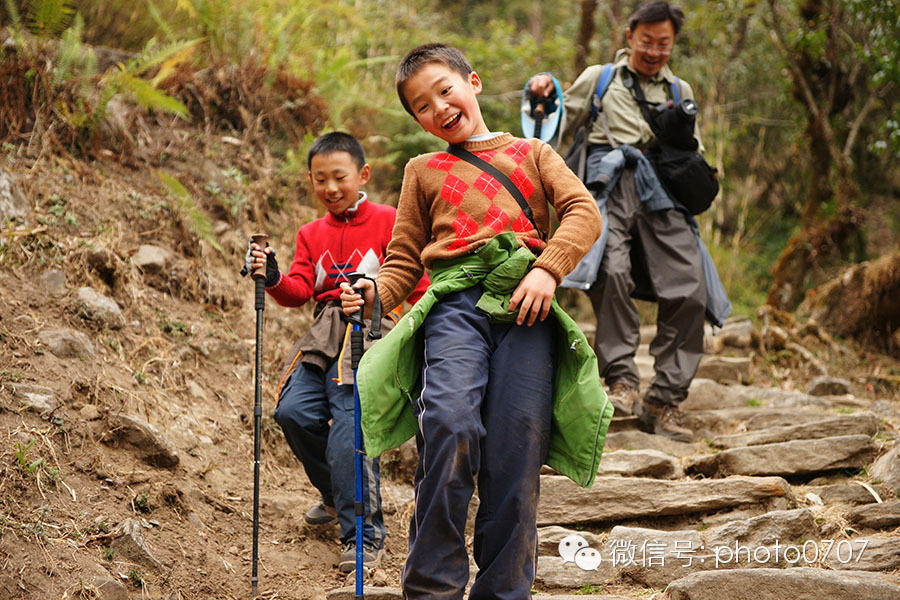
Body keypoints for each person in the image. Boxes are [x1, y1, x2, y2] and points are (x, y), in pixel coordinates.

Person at [340, 44, 609, 599]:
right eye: (421, 106)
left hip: (525, 308)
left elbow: (583, 212)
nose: (438, 107)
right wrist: (374, 293)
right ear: (417, 120)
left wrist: (547, 271)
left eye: (444, 90)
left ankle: (504, 591)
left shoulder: (533, 152)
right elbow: (405, 257)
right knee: (448, 423)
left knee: (516, 452)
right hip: (454, 308)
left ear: (474, 83)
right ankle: (432, 587)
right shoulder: (422, 170)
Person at [528, 0, 730, 442]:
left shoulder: (681, 90)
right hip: (606, 181)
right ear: (629, 37)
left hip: (660, 188)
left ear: (672, 44)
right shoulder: (600, 79)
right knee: (610, 271)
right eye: (647, 41)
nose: (654, 51)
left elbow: (687, 150)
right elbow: (555, 123)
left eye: (664, 44)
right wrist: (545, 92)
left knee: (690, 284)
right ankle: (621, 380)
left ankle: (665, 399)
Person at [247, 131, 429, 573]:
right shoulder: (311, 233)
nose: (330, 188)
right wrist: (271, 275)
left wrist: (389, 315)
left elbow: (418, 283)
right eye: (320, 180)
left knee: (350, 427)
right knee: (292, 412)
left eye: (339, 178)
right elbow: (298, 289)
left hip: (373, 330)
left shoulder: (389, 219)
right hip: (324, 337)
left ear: (362, 174)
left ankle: (363, 534)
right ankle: (334, 495)